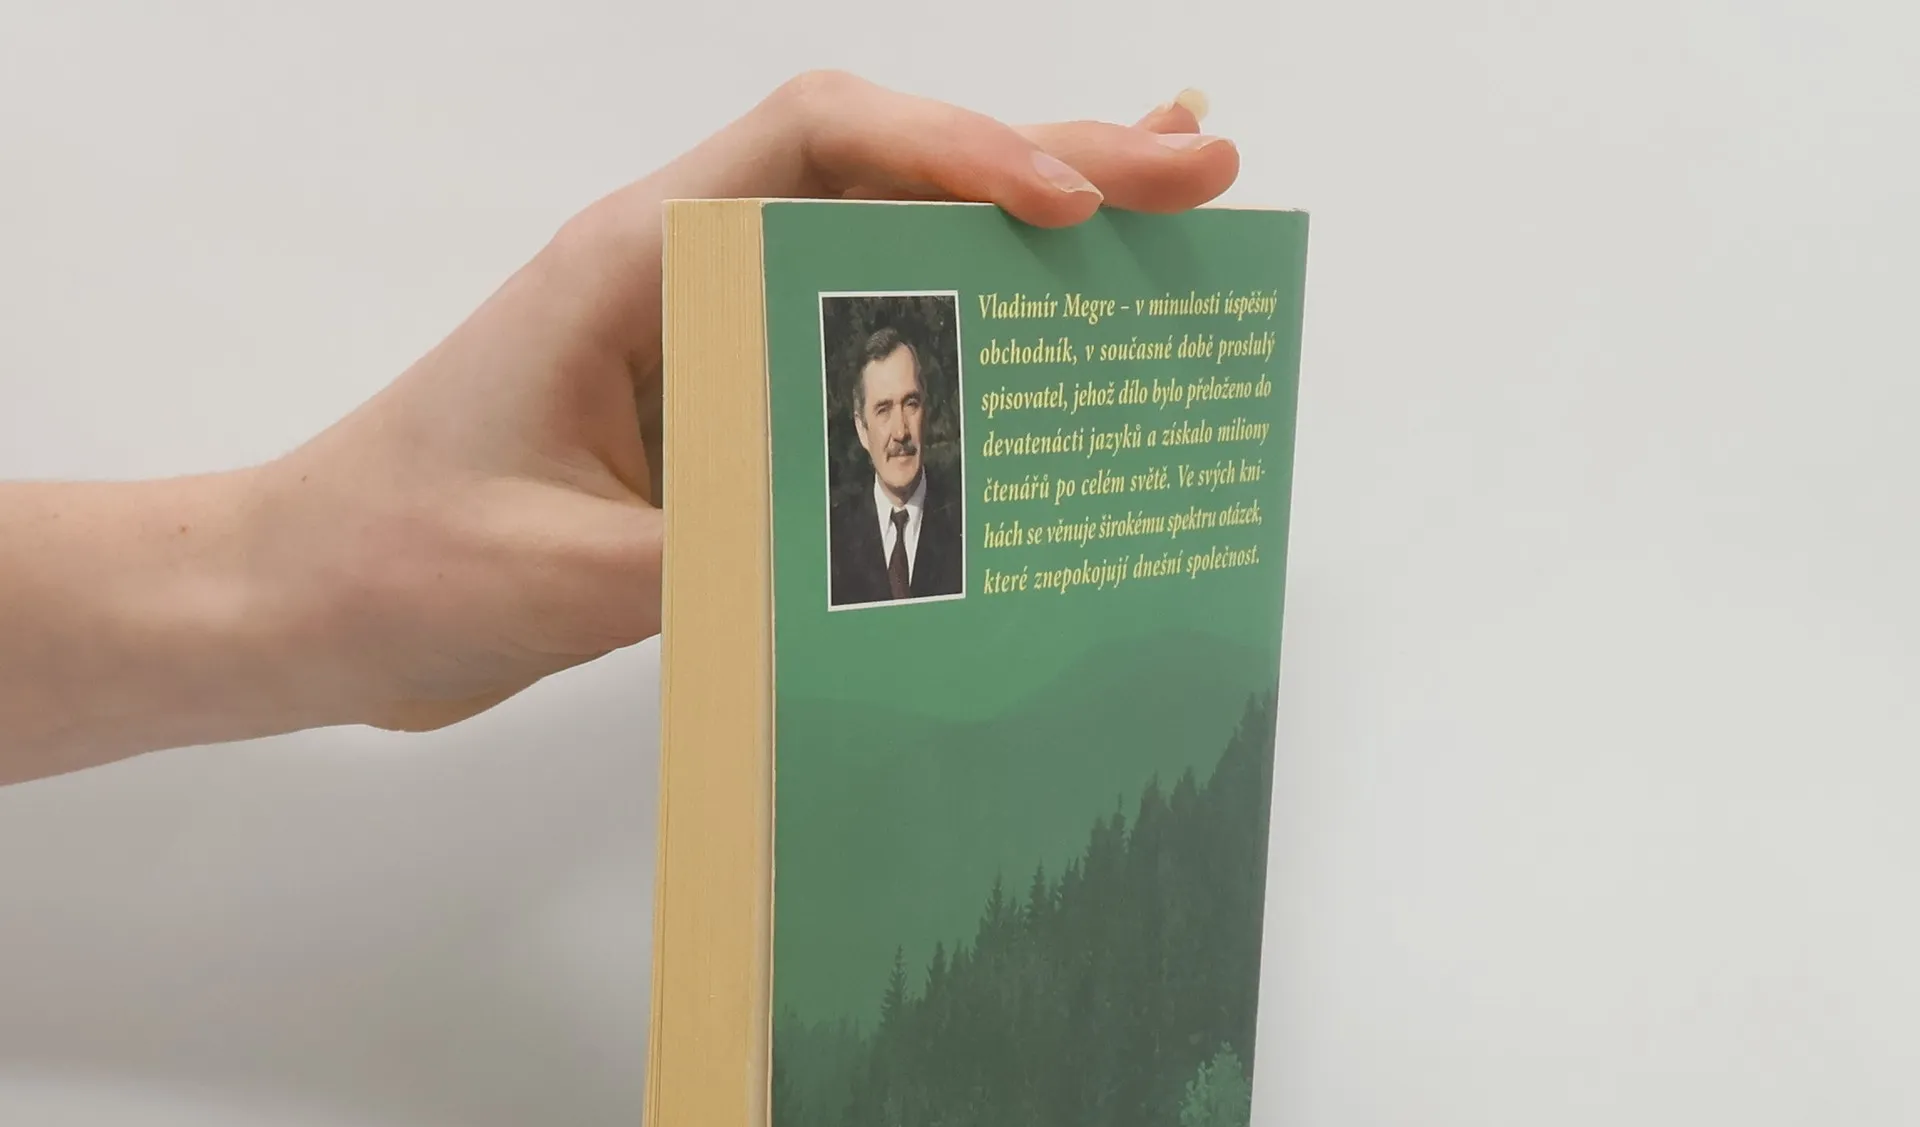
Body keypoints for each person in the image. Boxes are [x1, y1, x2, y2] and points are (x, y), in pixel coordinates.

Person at [0, 76, 1234, 787]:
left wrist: (284, 579)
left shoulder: (960, 525)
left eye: (917, 405)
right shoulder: (843, 542)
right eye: (883, 408)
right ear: (853, 423)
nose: (903, 429)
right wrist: (296, 584)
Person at [829, 327, 963, 606]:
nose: (901, 432)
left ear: (926, 412)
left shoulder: (965, 519)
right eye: (884, 410)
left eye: (911, 404)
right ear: (862, 430)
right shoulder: (832, 539)